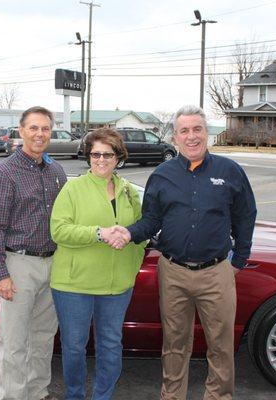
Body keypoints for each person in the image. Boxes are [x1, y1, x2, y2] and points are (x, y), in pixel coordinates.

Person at [110, 105, 257, 400]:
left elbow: (245, 215)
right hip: (173, 272)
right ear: (175, 137)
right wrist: (128, 233)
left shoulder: (230, 172)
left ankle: (218, 396)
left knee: (220, 344)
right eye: (184, 131)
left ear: (207, 133)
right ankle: (172, 395)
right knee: (175, 343)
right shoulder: (162, 175)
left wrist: (238, 260)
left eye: (197, 129)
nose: (192, 137)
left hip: (216, 273)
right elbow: (151, 220)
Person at [49, 128, 146, 400]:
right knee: (74, 347)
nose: (100, 160)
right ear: (88, 156)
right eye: (95, 154)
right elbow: (59, 231)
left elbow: (140, 233)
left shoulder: (128, 192)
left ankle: (103, 396)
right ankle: (75, 395)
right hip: (74, 285)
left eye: (107, 154)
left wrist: (131, 258)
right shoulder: (73, 189)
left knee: (111, 346)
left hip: (117, 286)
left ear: (118, 158)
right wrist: (99, 233)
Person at [0, 106, 67, 400]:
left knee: (43, 338)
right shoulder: (4, 173)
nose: (39, 134)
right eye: (33, 128)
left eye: (45, 128)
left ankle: (37, 393)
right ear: (21, 131)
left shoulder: (56, 171)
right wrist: (0, 274)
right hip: (18, 265)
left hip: (52, 264)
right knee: (15, 342)